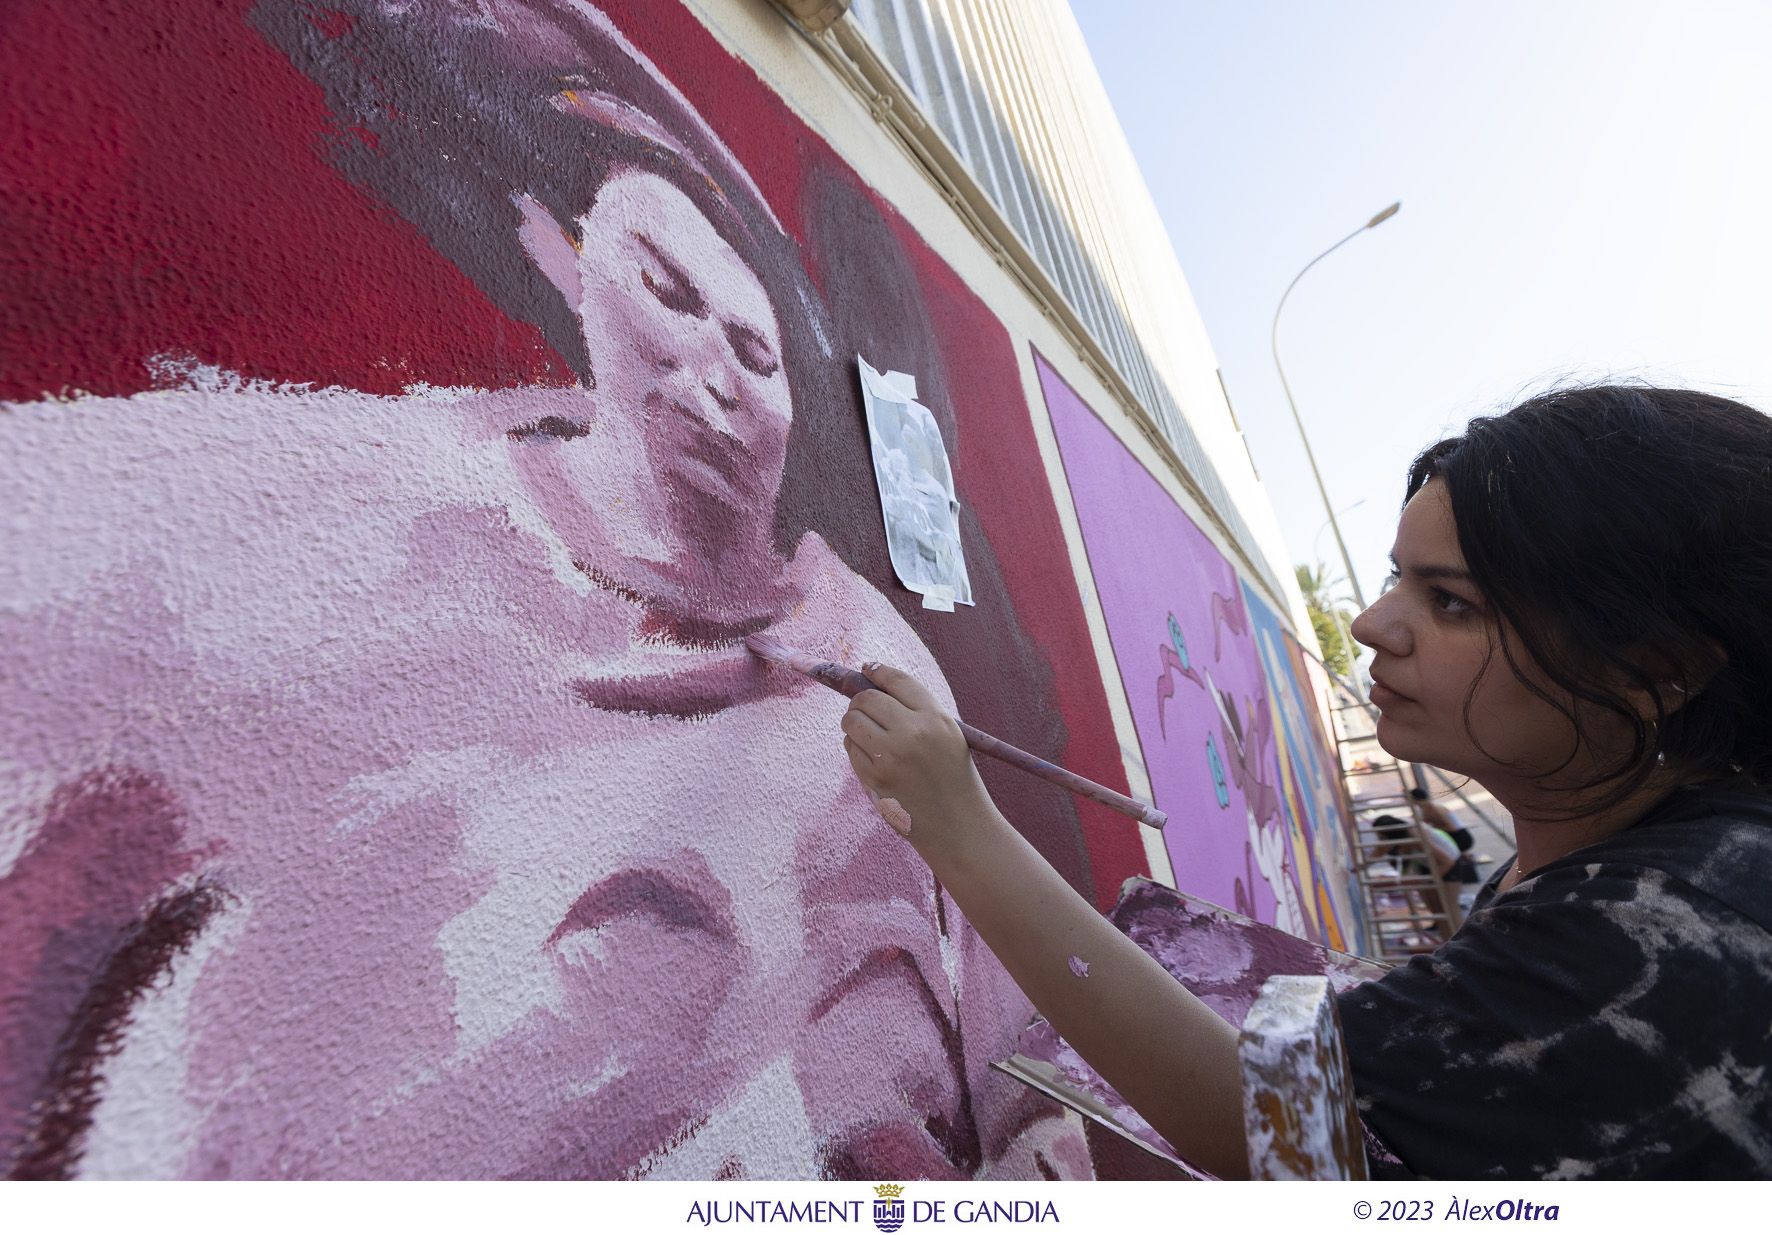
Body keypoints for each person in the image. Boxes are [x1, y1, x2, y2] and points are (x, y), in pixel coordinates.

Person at [0, 0, 1084, 1180]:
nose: (715, 372)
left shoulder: (869, 651)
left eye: (756, 351)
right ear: (564, 262)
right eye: (667, 291)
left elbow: (1022, 1062)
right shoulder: (355, 514)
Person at [843, 384, 1772, 1178]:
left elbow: (1277, 1127)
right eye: (1397, 578)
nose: (1370, 625)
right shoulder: (1630, 858)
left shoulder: (1672, 928)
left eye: (1449, 602)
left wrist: (957, 825)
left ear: (1653, 671)